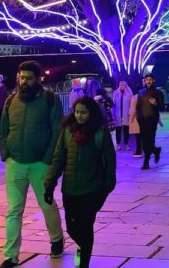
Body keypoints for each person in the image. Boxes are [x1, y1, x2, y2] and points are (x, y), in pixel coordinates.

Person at [0, 61, 64, 268]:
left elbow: (57, 131)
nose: (24, 81)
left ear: (38, 79)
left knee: (47, 205)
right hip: (14, 163)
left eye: (29, 78)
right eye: (21, 77)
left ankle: (56, 239)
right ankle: (11, 255)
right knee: (14, 210)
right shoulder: (11, 101)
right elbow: (4, 130)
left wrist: (47, 159)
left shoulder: (50, 100)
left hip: (40, 164)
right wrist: (5, 154)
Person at [43, 97, 117, 268]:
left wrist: (109, 182)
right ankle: (84, 248)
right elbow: (58, 158)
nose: (79, 116)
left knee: (85, 224)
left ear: (91, 113)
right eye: (77, 112)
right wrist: (49, 185)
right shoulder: (67, 131)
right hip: (70, 189)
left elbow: (109, 158)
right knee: (71, 228)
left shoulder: (100, 132)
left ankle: (84, 262)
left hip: (93, 189)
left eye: (83, 112)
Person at [136, 74, 164, 170]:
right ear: (144, 81)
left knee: (150, 140)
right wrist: (138, 117)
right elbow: (138, 106)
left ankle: (146, 162)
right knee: (144, 141)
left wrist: (155, 103)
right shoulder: (141, 92)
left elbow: (162, 107)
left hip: (152, 119)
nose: (148, 81)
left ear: (153, 81)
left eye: (150, 79)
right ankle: (156, 150)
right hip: (142, 120)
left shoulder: (158, 93)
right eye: (146, 79)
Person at [113, 80, 133, 151]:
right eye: (120, 85)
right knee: (118, 130)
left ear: (126, 85)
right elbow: (114, 103)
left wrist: (130, 112)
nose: (122, 86)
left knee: (126, 130)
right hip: (118, 114)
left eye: (123, 85)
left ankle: (126, 144)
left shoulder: (129, 93)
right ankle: (118, 144)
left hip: (126, 113)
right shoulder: (116, 93)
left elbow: (131, 104)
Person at [128, 91, 143, 157]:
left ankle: (138, 151)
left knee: (138, 136)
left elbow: (133, 110)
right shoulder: (147, 95)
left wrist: (130, 120)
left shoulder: (135, 97)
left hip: (137, 118)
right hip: (146, 118)